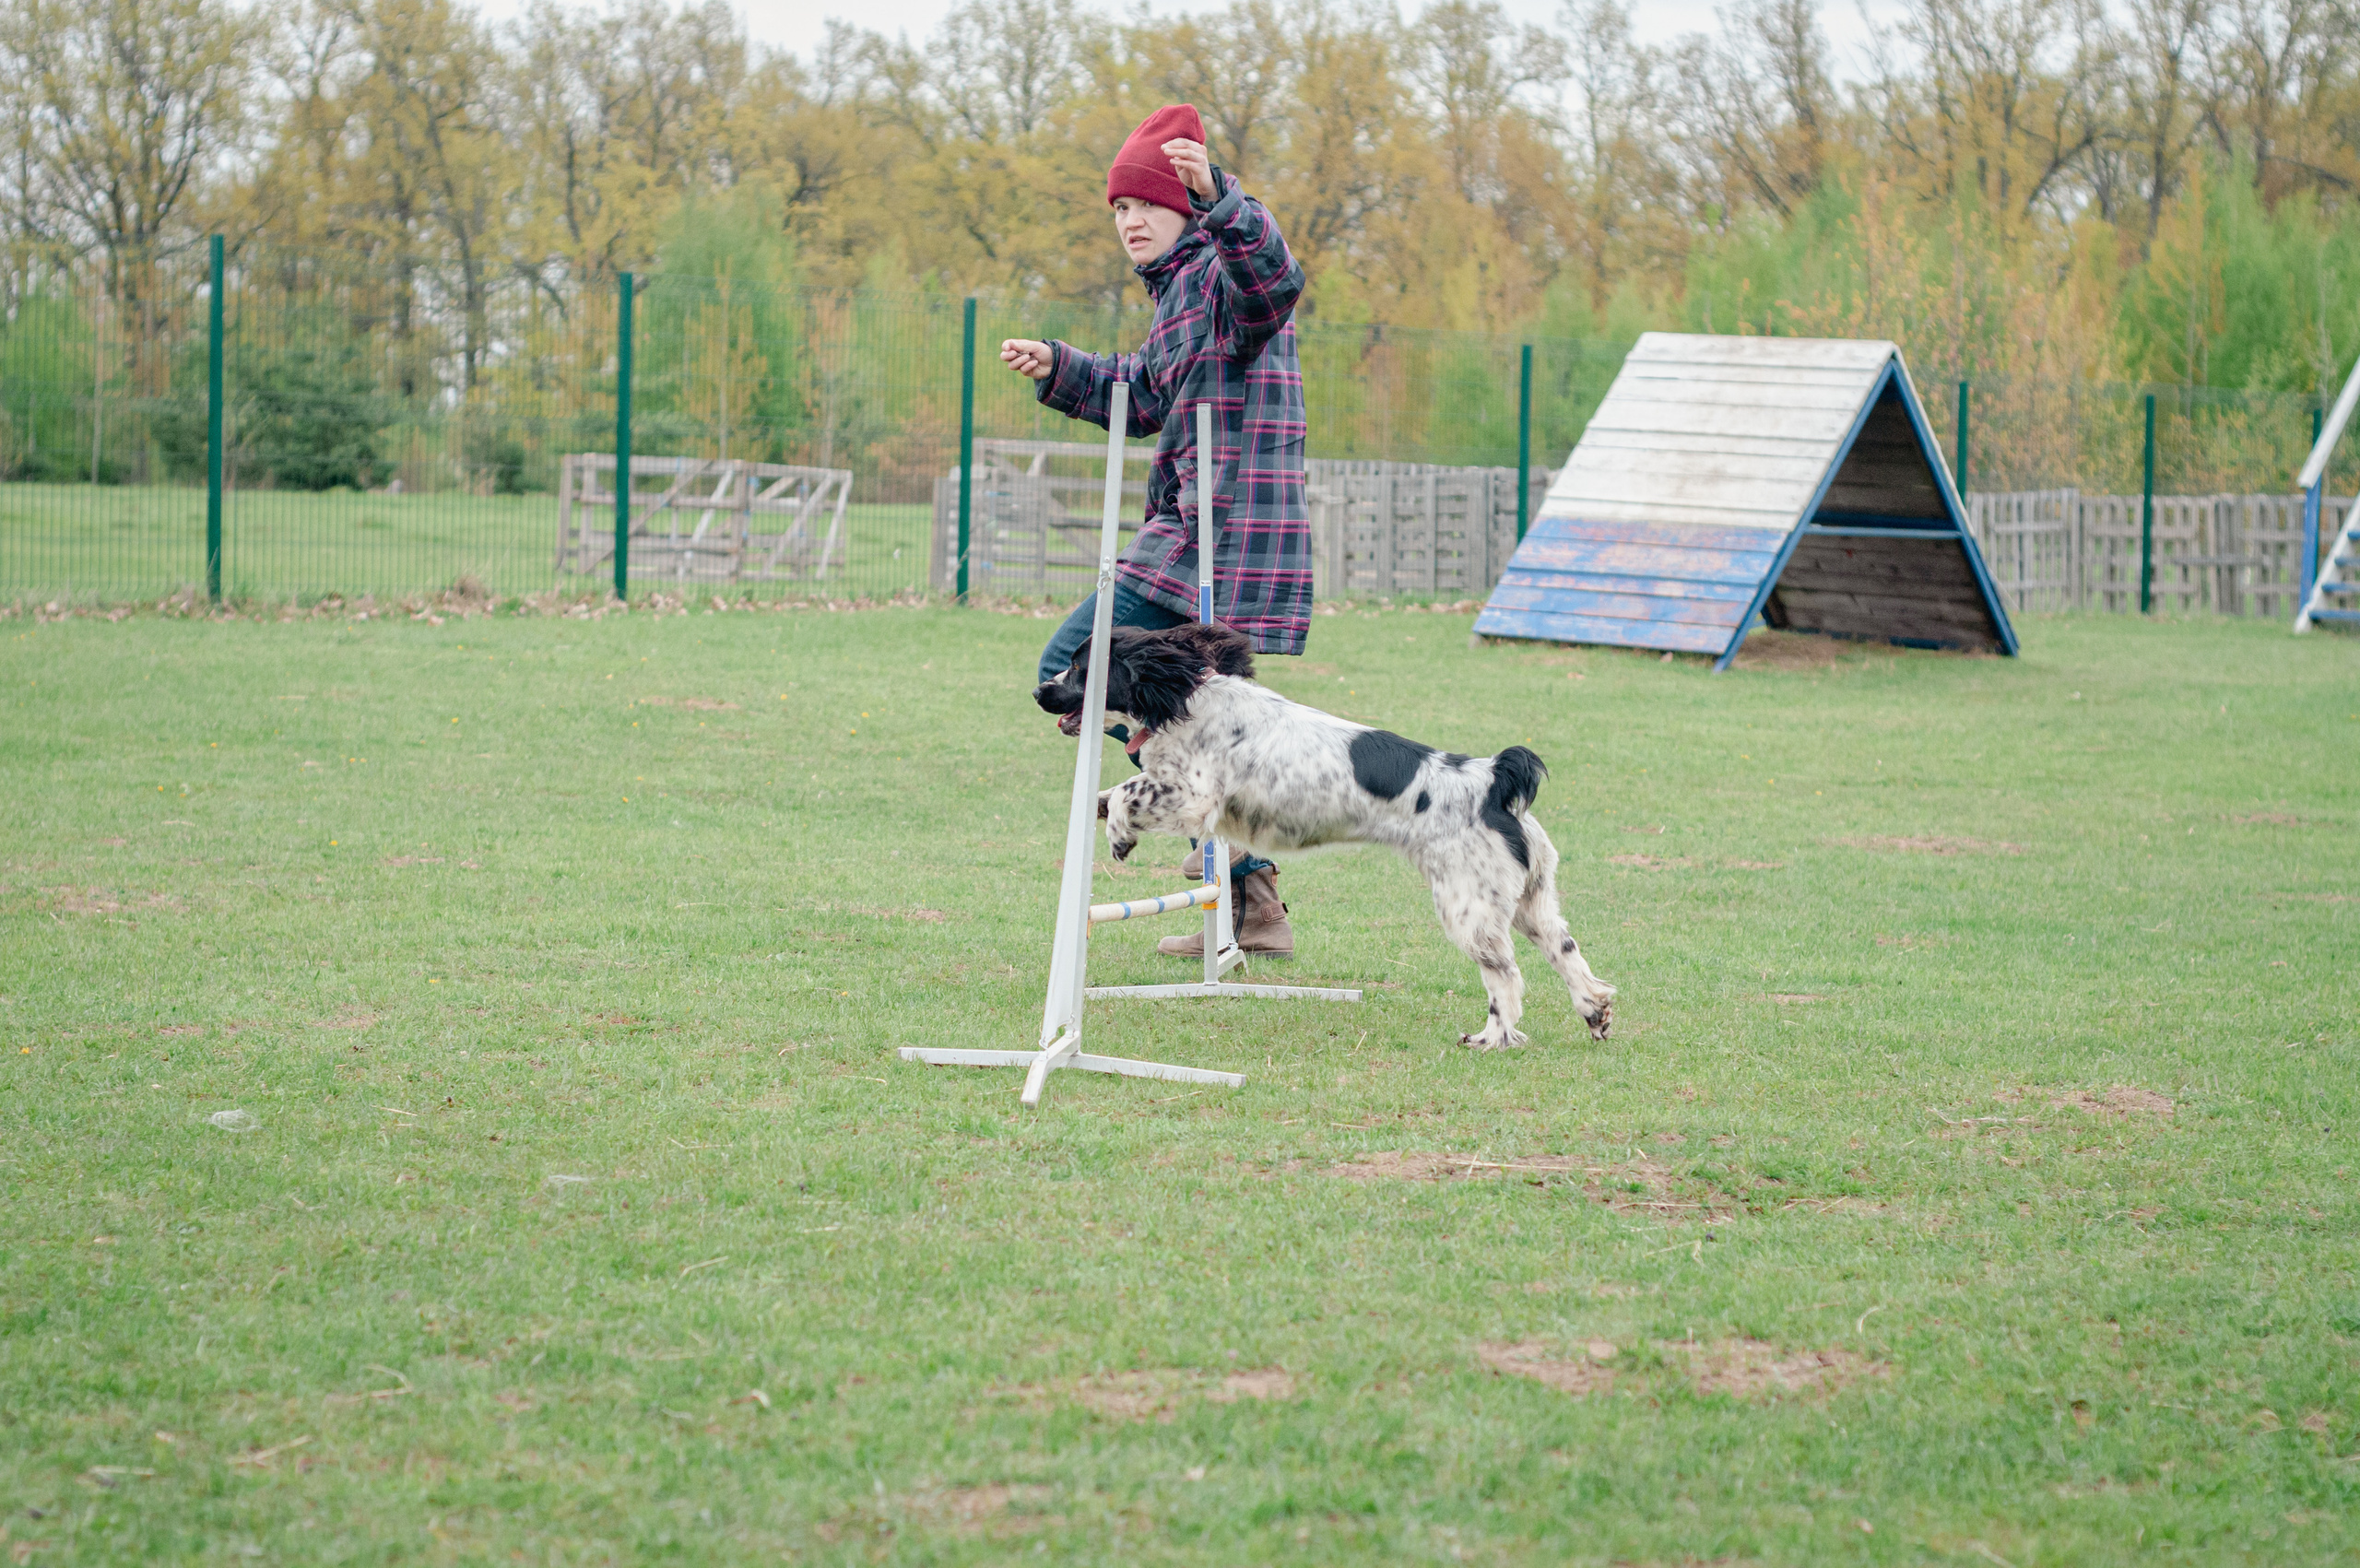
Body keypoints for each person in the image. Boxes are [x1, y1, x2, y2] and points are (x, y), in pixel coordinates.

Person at [1001, 102, 1313, 960]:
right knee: (1179, 707)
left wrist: (1224, 198)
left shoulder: (1222, 270)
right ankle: (1251, 894)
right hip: (1189, 531)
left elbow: (1274, 282)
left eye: (1143, 203)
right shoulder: (1176, 294)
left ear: (1183, 204)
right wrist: (1064, 367)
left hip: (1219, 530)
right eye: (1117, 210)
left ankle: (1205, 808)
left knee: (1073, 670)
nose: (1128, 221)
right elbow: (1142, 393)